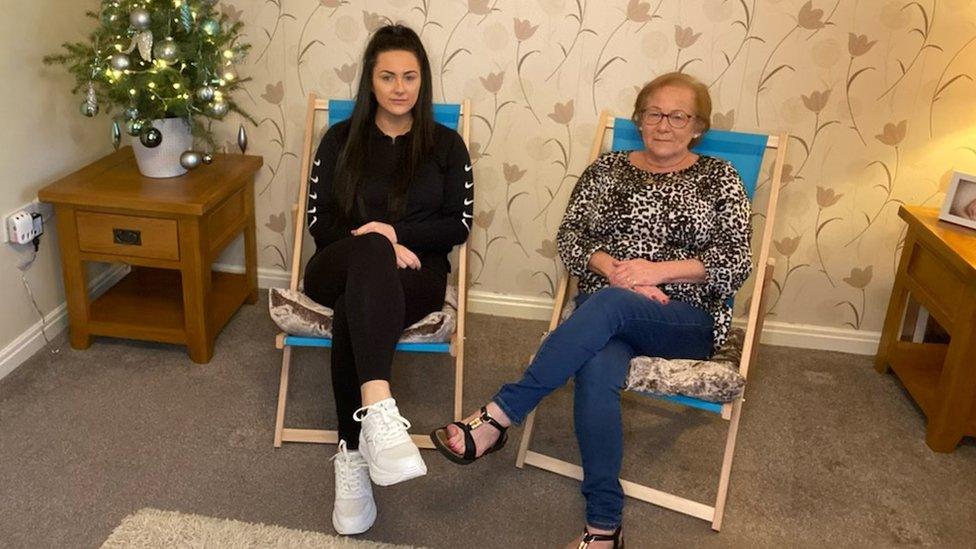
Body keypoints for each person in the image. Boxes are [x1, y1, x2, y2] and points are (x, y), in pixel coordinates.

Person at [430, 72, 751, 549]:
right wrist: (617, 270)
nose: (663, 125)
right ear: (639, 118)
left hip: (683, 319)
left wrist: (652, 273)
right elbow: (571, 237)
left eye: (678, 115)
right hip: (606, 313)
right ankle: (604, 526)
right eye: (653, 113)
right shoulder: (606, 169)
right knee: (598, 363)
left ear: (697, 126)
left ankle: (499, 415)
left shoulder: (719, 177)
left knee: (610, 304)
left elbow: (736, 261)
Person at [304, 24, 472, 535]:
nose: (399, 87)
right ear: (370, 82)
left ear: (422, 82)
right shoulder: (339, 140)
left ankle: (352, 457)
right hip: (335, 265)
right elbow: (320, 221)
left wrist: (395, 233)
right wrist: (376, 243)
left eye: (410, 76)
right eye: (387, 76)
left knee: (357, 313)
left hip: (418, 276)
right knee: (368, 261)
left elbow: (457, 225)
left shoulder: (447, 145)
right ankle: (378, 410)